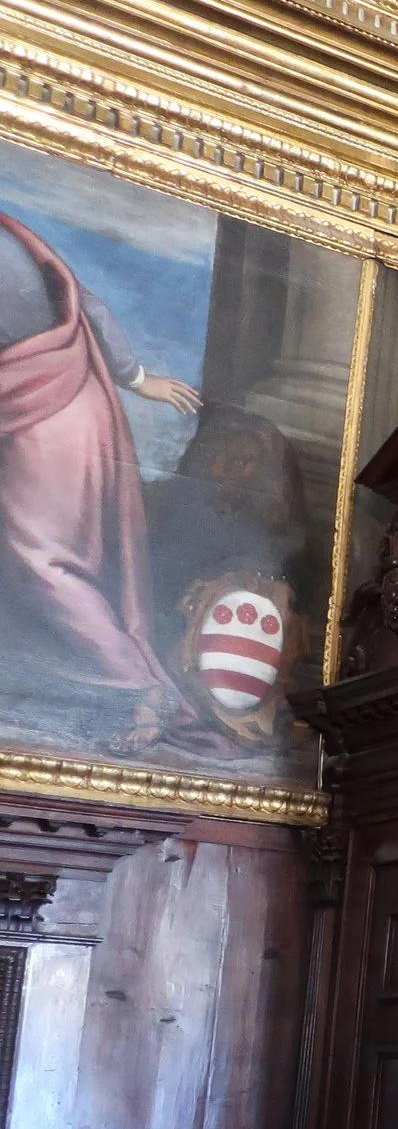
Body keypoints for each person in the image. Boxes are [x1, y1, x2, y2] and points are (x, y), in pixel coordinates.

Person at [0, 209, 203, 745]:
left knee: (43, 560)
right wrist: (135, 377)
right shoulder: (11, 236)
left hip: (45, 416)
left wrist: (137, 378)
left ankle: (141, 689)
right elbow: (86, 303)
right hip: (71, 404)